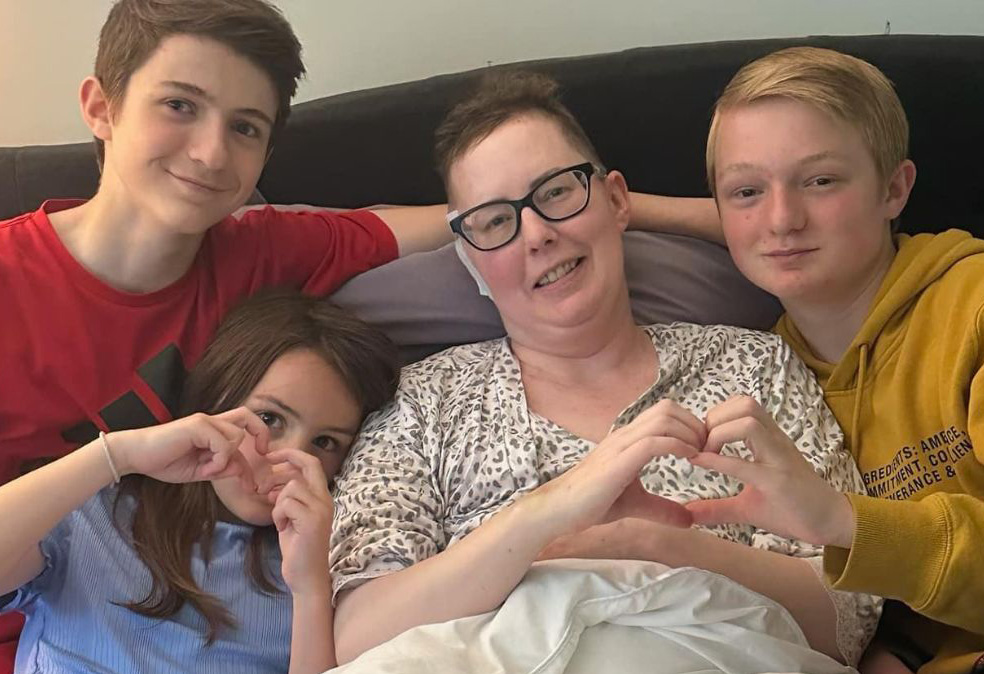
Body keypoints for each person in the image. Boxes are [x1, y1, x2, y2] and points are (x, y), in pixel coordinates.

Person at [327, 70, 880, 668]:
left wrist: (652, 545)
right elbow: (360, 634)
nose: (536, 234)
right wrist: (545, 515)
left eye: (557, 192)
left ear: (616, 200)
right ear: (471, 260)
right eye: (493, 221)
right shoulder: (419, 401)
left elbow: (851, 617)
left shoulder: (754, 365)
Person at [644, 47, 984, 674]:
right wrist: (898, 648)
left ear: (894, 189)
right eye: (747, 191)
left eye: (820, 180)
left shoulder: (973, 307)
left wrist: (844, 520)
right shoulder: (766, 377)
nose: (782, 220)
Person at [0, 289, 400, 673]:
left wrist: (309, 589)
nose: (287, 460)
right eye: (269, 419)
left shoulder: (324, 568)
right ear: (216, 400)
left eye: (325, 442)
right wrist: (118, 456)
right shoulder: (99, 510)